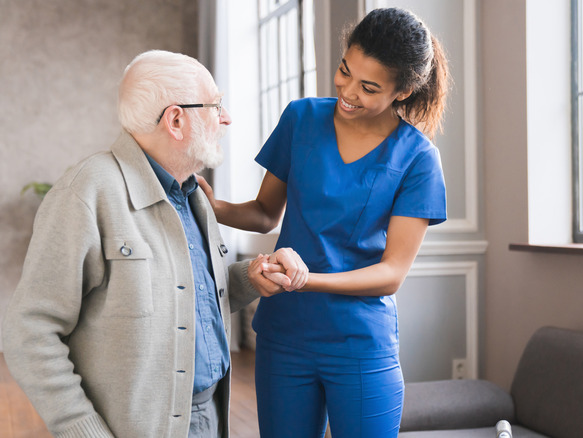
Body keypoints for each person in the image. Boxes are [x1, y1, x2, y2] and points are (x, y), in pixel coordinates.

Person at [2, 50, 307, 438]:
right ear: (176, 120)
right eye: (215, 105)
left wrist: (250, 277)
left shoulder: (193, 195)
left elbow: (186, 297)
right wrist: (84, 431)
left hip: (210, 416)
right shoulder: (86, 193)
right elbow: (29, 332)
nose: (226, 117)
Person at [199, 7, 450, 438]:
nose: (348, 92)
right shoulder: (301, 118)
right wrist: (214, 206)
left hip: (359, 343)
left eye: (368, 87)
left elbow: (391, 273)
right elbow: (265, 213)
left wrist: (304, 280)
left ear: (403, 92)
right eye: (345, 71)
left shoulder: (419, 158)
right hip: (283, 336)